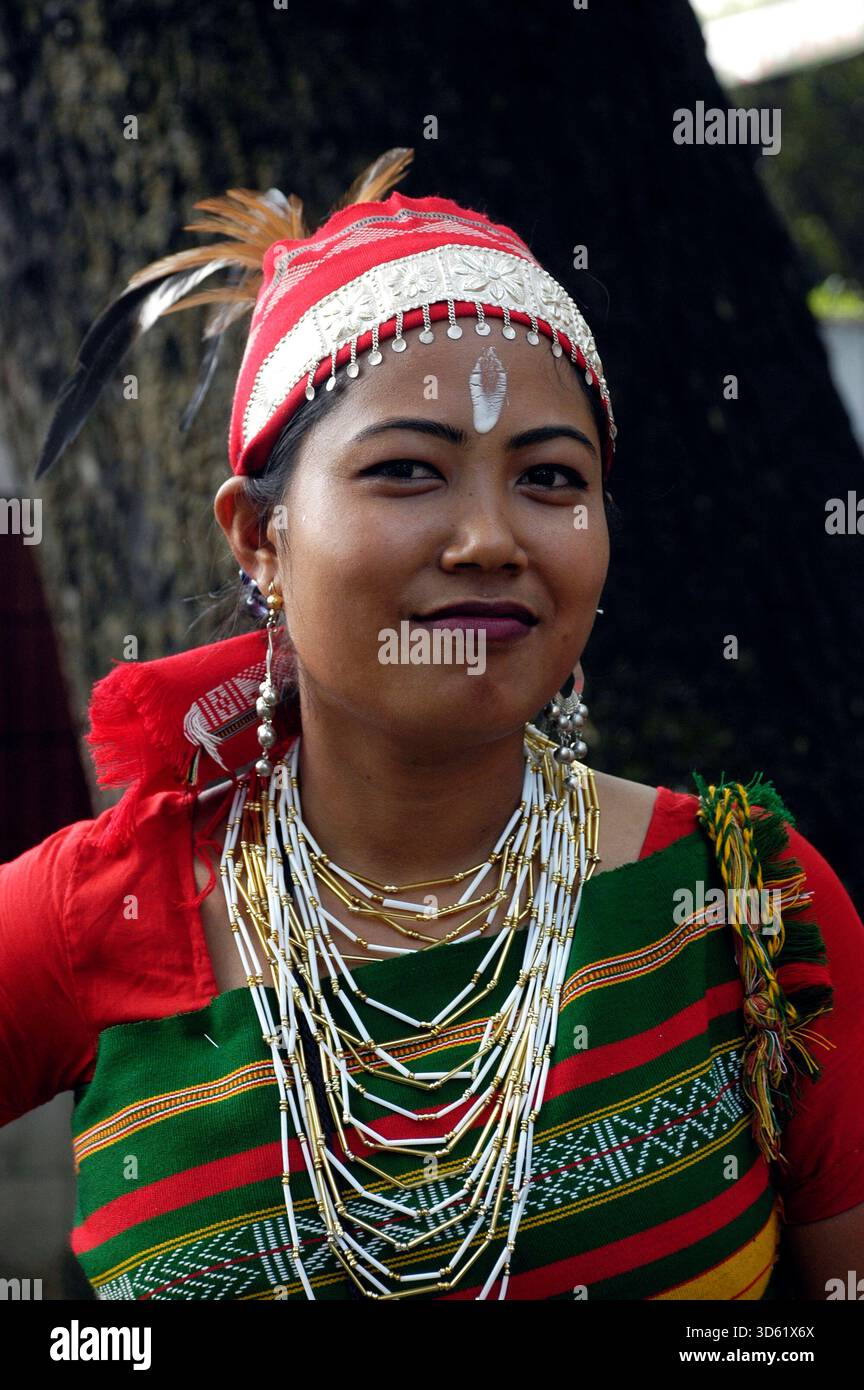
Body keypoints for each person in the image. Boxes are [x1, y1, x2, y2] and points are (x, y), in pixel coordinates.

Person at [2, 149, 863, 1301]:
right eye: (409, 470)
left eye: (552, 479)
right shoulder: (90, 918)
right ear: (260, 541)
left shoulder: (745, 902)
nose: (491, 538)